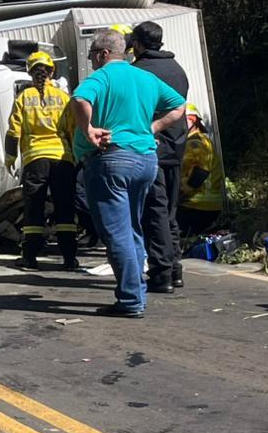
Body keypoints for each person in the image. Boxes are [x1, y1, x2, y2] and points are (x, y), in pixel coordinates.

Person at [70, 28, 185, 318]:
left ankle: (131, 300)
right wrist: (154, 128)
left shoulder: (102, 77)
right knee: (132, 229)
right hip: (146, 161)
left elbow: (79, 100)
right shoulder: (146, 78)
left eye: (93, 54)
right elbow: (179, 106)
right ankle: (136, 294)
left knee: (117, 233)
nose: (92, 60)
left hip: (111, 161)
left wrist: (89, 130)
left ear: (104, 53)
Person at [5, 51, 80, 271]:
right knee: (65, 210)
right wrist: (75, 157)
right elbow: (73, 130)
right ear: (51, 71)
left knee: (34, 209)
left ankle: (30, 257)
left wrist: (10, 158)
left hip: (35, 160)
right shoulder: (64, 98)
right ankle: (69, 259)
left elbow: (13, 132)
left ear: (30, 72)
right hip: (62, 159)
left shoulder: (23, 98)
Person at [131, 21, 190, 292]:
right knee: (169, 212)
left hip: (151, 147)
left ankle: (161, 272)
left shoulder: (138, 72)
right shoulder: (177, 70)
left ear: (138, 44)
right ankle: (175, 269)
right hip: (176, 148)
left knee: (153, 212)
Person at [178, 104, 224, 236]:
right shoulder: (197, 141)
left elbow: (200, 172)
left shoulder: (196, 143)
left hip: (197, 206)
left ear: (192, 120)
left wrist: (181, 194)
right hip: (202, 205)